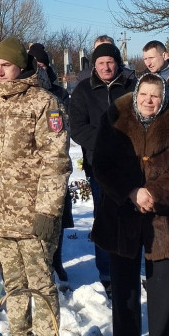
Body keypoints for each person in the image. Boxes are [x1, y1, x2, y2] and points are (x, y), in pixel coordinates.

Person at [0, 38, 70, 336]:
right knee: (14, 289)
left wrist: (48, 211)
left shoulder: (44, 103)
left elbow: (57, 161)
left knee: (41, 288)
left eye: (7, 65)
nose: (1, 72)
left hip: (33, 217)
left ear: (21, 65)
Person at [93, 72, 169, 336]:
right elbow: (101, 163)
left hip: (162, 214)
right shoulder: (114, 116)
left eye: (155, 96)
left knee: (161, 278)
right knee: (124, 277)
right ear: (136, 94)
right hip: (121, 209)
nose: (149, 101)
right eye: (144, 95)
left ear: (163, 99)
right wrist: (132, 192)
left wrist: (154, 194)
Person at [68, 41, 136, 296]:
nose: (106, 67)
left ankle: (131, 268)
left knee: (131, 217)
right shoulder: (84, 90)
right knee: (105, 217)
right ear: (94, 66)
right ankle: (107, 274)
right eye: (101, 63)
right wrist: (108, 141)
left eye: (110, 62)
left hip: (131, 163)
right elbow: (78, 127)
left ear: (117, 63)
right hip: (99, 164)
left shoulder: (131, 87)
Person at [27, 42, 73, 282]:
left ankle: (57, 261)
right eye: (35, 65)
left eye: (42, 65)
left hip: (52, 165)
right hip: (28, 171)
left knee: (57, 216)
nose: (39, 70)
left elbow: (61, 129)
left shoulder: (59, 94)